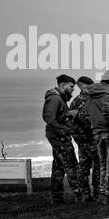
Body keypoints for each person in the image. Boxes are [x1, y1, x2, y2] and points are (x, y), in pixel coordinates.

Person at [81, 71, 109, 205]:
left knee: (102, 163)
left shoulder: (90, 94)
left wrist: (93, 123)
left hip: (96, 132)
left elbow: (84, 114)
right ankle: (108, 194)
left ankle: (102, 193)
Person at [42, 74, 85, 204]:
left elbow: (58, 117)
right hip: (59, 138)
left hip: (57, 137)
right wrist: (64, 130)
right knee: (71, 165)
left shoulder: (59, 98)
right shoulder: (55, 99)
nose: (73, 89)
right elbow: (49, 118)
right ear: (63, 85)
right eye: (71, 87)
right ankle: (80, 196)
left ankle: (57, 198)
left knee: (58, 167)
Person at [67, 76, 99, 199]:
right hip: (91, 137)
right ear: (83, 85)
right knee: (98, 164)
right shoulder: (91, 100)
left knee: (83, 166)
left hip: (80, 139)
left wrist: (76, 136)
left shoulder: (75, 101)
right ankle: (97, 192)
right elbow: (93, 119)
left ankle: (84, 193)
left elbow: (70, 121)